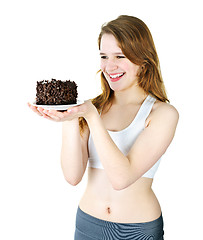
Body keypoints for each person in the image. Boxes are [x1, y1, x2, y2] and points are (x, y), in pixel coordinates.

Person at [28, 15, 179, 240]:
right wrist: (69, 119)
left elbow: (122, 178)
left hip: (137, 230)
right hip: (87, 225)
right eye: (104, 56)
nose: (110, 66)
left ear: (143, 60)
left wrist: (91, 117)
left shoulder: (163, 114)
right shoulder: (93, 108)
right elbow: (72, 176)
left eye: (120, 56)